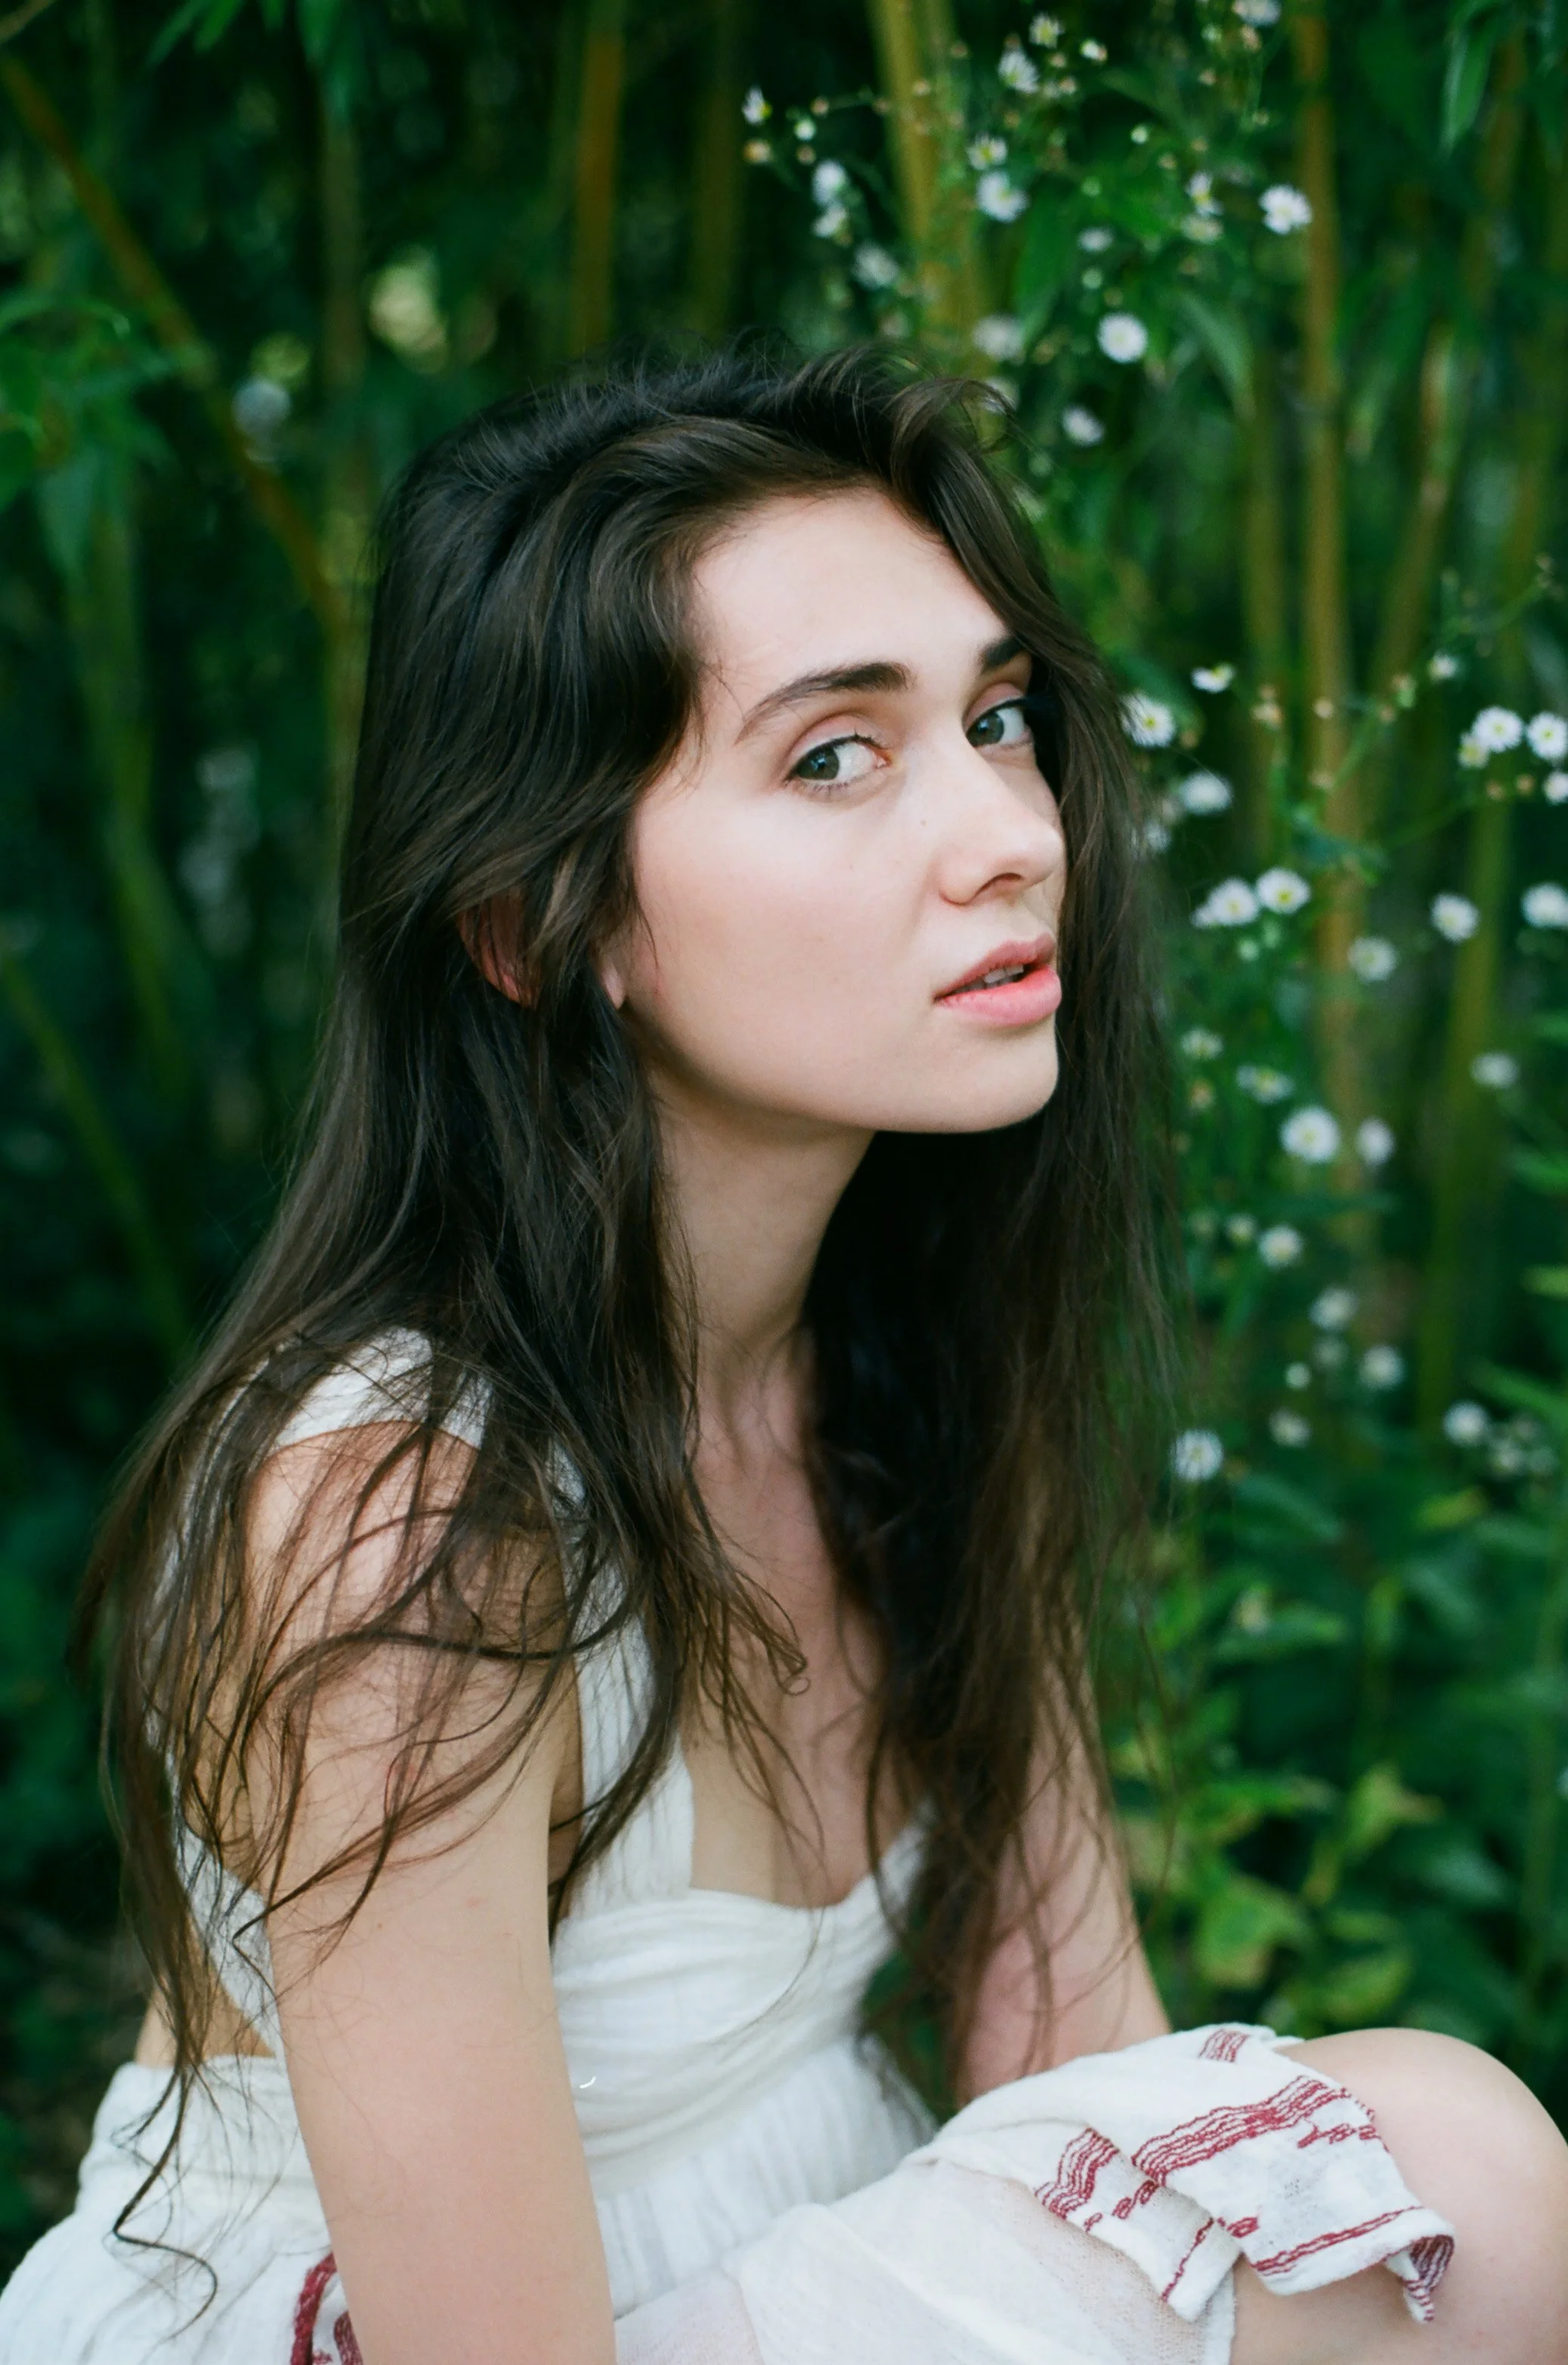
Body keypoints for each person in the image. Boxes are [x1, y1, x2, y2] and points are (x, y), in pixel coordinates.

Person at [2, 347, 1563, 2365]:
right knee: (1454, 2169)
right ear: (536, 917)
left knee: (1392, 2207)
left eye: (1000, 719)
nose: (1010, 830)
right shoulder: (406, 1532)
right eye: (838, 756)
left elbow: (1096, 2072)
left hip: (771, 2294)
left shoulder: (899, 1380)